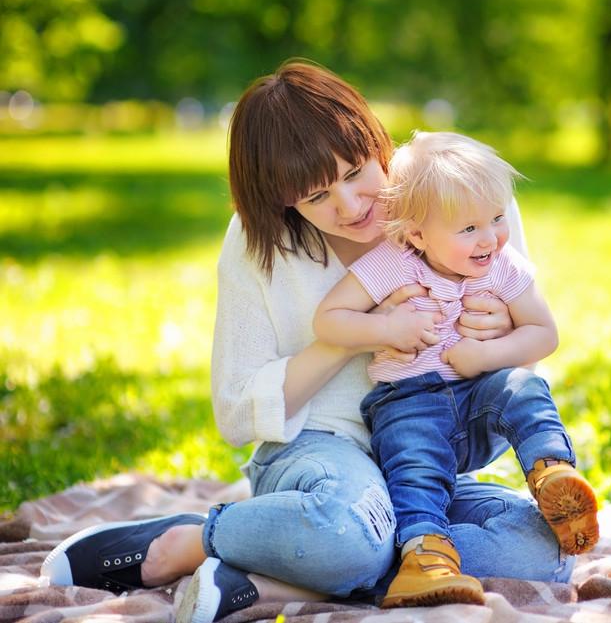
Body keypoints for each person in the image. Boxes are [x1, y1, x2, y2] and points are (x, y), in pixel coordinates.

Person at [39, 61, 575, 623]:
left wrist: (500, 332)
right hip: (322, 451)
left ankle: (279, 574)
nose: (349, 205)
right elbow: (236, 409)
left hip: (426, 459)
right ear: (283, 201)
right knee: (348, 534)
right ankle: (197, 539)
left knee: (547, 549)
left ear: (375, 139)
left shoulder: (461, 191)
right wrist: (355, 333)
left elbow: (529, 354)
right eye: (316, 196)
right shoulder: (255, 242)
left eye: (356, 170)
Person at [314, 131, 600, 608]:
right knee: (415, 466)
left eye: (496, 218)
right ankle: (426, 556)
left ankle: (552, 475)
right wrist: (388, 330)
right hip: (408, 400)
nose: (489, 238)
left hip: (477, 397)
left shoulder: (501, 266)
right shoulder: (394, 263)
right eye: (469, 229)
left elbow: (544, 334)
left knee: (523, 387)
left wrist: (488, 357)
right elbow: (328, 320)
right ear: (418, 235)